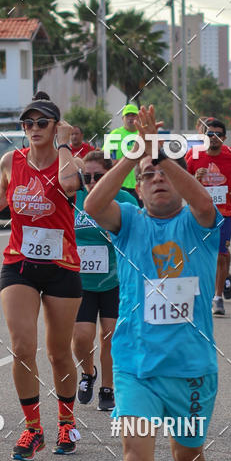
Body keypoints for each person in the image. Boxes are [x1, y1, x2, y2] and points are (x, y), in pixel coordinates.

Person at [84, 105, 220, 461]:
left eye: (164, 173)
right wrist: (134, 156)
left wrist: (160, 153)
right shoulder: (131, 224)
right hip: (136, 367)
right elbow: (95, 205)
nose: (156, 178)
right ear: (137, 191)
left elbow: (203, 200)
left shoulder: (201, 225)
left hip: (190, 371)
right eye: (148, 176)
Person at [0, 92, 83, 460]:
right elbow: (3, 193)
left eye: (42, 122)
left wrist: (65, 144)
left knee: (58, 353)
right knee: (22, 347)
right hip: (19, 263)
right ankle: (33, 429)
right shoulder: (12, 159)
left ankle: (67, 423)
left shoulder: (67, 160)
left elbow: (70, 185)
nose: (34, 128)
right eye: (28, 122)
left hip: (62, 266)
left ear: (56, 126)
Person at [72, 151, 138, 411]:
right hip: (81, 282)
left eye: (98, 176)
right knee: (81, 337)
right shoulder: (74, 199)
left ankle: (107, 388)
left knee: (110, 336)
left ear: (110, 175)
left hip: (115, 280)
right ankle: (88, 373)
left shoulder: (124, 200)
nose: (91, 181)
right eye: (86, 176)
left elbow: (137, 238)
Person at [186, 118, 231, 315]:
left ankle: (217, 297)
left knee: (221, 254)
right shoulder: (193, 156)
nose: (214, 138)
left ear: (224, 138)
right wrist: (195, 179)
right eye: (210, 134)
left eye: (218, 135)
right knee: (200, 254)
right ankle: (216, 283)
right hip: (199, 213)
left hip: (224, 213)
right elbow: (182, 181)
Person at [102, 104, 140, 199]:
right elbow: (104, 157)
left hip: (140, 185)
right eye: (128, 115)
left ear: (138, 117)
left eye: (133, 115)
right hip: (119, 184)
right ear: (123, 118)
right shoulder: (115, 134)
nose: (130, 118)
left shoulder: (143, 133)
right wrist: (120, 162)